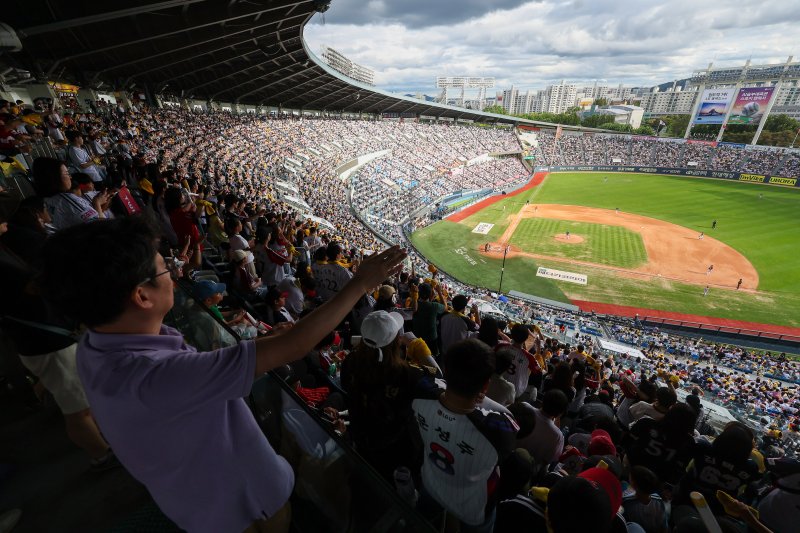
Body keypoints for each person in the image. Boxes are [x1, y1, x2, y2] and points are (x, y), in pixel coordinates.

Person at [39, 216, 406, 533]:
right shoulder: (157, 376)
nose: (173, 271)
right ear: (141, 297)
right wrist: (360, 283)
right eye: (165, 269)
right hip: (243, 505)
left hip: (193, 501)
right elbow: (295, 346)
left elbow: (180, 389)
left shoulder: (95, 346)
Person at [413, 339, 518, 532]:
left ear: (447, 368)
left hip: (431, 482)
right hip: (472, 506)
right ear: (486, 385)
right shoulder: (499, 431)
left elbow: (432, 380)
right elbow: (508, 421)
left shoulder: (420, 394)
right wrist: (482, 398)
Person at [340, 311, 439, 483]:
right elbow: (437, 375)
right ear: (396, 342)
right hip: (396, 448)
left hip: (361, 436)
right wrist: (417, 344)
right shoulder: (408, 374)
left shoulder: (350, 360)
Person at [32, 157, 109, 230]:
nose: (70, 177)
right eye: (67, 173)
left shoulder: (43, 202)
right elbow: (101, 227)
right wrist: (97, 203)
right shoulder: (66, 200)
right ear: (55, 177)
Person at [515, 389, 568, 467]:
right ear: (560, 413)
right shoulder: (558, 436)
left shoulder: (524, 406)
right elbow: (550, 460)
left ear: (542, 401)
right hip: (528, 469)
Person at [411, 283, 446, 358]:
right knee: (432, 357)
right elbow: (444, 307)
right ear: (430, 294)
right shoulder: (434, 306)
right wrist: (439, 292)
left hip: (416, 336)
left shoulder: (413, 303)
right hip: (431, 338)